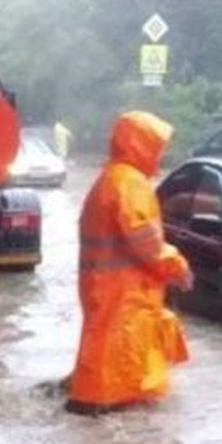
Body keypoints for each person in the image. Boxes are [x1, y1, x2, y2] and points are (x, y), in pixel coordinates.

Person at [67, 111, 192, 415]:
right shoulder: (129, 184)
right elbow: (147, 244)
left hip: (107, 291)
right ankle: (100, 409)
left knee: (105, 356)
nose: (161, 153)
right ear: (141, 145)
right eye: (156, 145)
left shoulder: (109, 180)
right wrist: (178, 267)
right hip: (125, 295)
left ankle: (90, 403)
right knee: (124, 366)